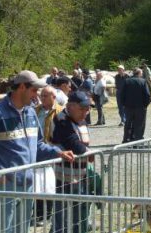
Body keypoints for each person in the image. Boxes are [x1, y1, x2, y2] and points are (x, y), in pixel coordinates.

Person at [0, 71, 74, 233]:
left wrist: (57, 153)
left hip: (27, 184)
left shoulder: (31, 113)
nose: (37, 95)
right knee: (4, 230)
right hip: (4, 187)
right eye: (33, 90)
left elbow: (38, 145)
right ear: (21, 87)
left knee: (22, 229)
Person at [49, 91, 92, 233]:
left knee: (79, 210)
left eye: (88, 108)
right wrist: (89, 153)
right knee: (61, 211)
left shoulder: (80, 118)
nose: (86, 112)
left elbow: (83, 145)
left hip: (80, 173)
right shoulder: (62, 120)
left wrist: (87, 152)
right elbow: (75, 145)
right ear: (70, 106)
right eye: (83, 108)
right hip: (63, 175)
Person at [33, 86, 64, 226]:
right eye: (42, 95)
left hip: (52, 150)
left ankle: (46, 214)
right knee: (38, 182)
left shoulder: (60, 112)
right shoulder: (36, 110)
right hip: (37, 151)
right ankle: (38, 213)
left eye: (46, 95)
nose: (43, 98)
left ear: (54, 97)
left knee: (50, 183)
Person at [119, 68, 151, 143]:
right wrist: (145, 105)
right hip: (140, 107)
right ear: (139, 73)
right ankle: (138, 140)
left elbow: (122, 94)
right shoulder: (143, 81)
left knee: (128, 123)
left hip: (128, 107)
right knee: (139, 124)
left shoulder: (126, 81)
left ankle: (126, 139)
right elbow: (147, 95)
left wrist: (124, 104)